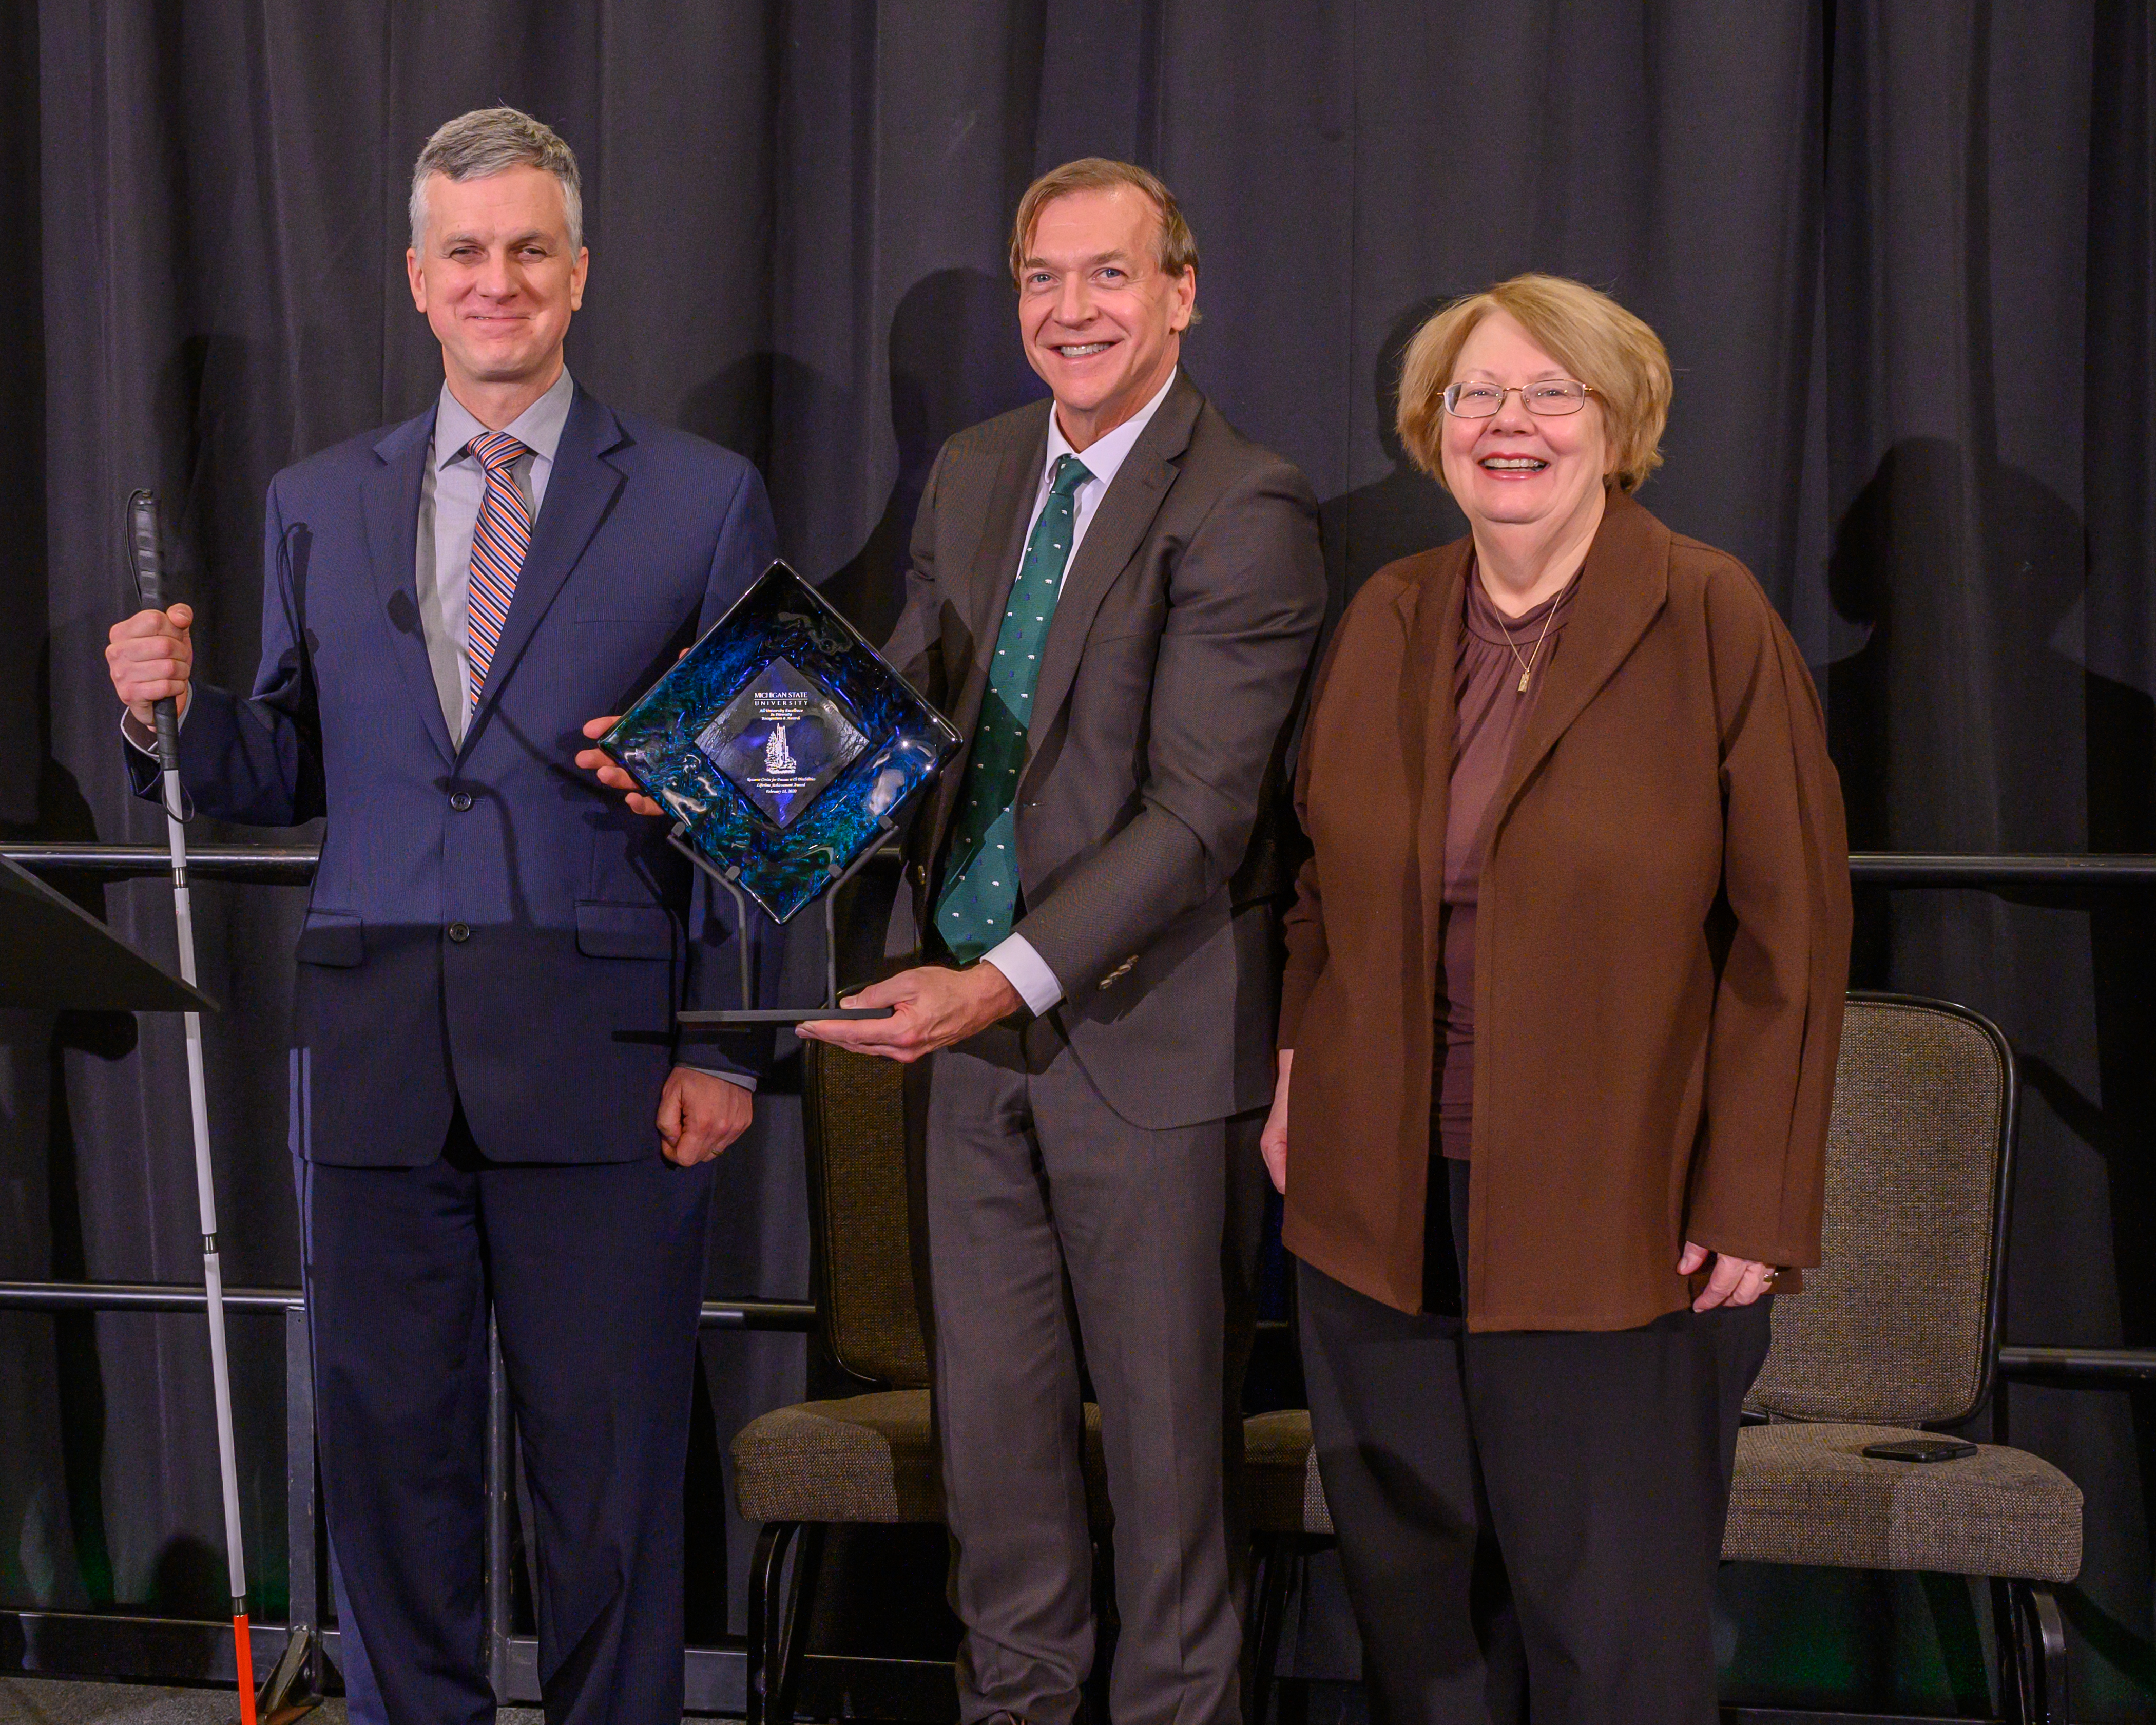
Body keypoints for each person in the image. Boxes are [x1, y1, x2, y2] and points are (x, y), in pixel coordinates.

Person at [614, 157, 1325, 1725]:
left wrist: (991, 980)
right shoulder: (978, 466)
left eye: (1110, 275)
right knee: (995, 1468)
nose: (1072, 310)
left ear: (1181, 293)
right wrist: (694, 756)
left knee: (1168, 1477)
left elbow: (1203, 820)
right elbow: (898, 706)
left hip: (1140, 1049)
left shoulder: (1245, 503)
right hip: (966, 1042)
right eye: (1042, 279)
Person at [105, 106, 775, 1725]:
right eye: (466, 253)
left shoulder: (698, 497)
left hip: (609, 1055)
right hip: (378, 1051)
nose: (499, 281)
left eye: (528, 250)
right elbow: (279, 764)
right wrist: (169, 718)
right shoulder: (318, 500)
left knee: (609, 1483)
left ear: (579, 273)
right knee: (391, 1475)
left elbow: (767, 791)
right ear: (417, 279)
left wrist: (735, 1048)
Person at [1262, 273, 1850, 1725]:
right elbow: (1316, 890)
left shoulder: (1712, 613)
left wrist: (1759, 1199)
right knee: (1423, 1629)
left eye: (1547, 393)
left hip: (1623, 1222)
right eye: (1476, 395)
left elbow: (1797, 933)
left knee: (1612, 1638)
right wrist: (1292, 1079)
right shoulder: (1392, 614)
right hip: (1377, 1211)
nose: (1507, 423)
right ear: (1432, 427)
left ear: (1617, 421)